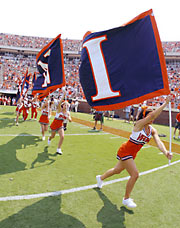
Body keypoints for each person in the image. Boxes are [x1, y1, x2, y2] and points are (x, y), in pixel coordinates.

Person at [96, 95, 173, 208]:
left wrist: (166, 152)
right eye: (149, 115)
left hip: (132, 154)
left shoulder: (152, 130)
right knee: (135, 174)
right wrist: (165, 104)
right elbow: (152, 115)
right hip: (126, 151)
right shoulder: (139, 125)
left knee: (117, 170)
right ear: (144, 116)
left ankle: (100, 178)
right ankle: (126, 199)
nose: (153, 118)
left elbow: (159, 142)